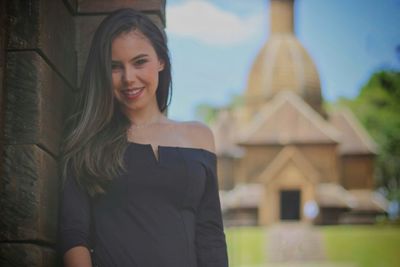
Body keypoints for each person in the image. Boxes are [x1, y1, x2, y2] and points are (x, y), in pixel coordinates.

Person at [58, 8, 229, 267]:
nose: (129, 78)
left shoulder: (200, 137)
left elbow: (211, 236)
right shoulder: (87, 142)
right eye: (115, 67)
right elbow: (74, 237)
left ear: (161, 60)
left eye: (139, 62)